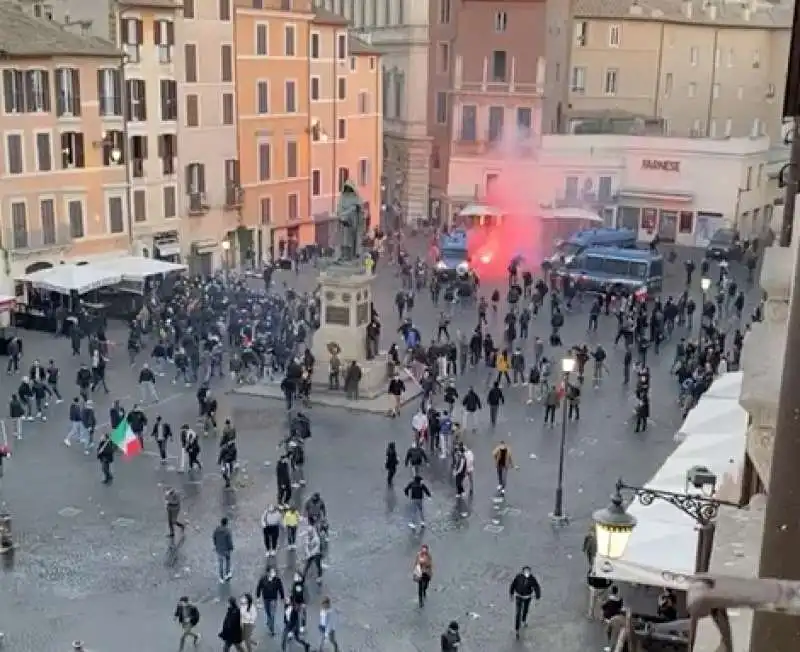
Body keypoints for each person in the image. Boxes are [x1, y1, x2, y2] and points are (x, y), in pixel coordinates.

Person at [508, 566, 542, 638]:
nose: (527, 573)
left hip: (527, 597)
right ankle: (517, 629)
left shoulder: (532, 579)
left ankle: (523, 620)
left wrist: (537, 598)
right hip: (519, 597)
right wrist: (511, 594)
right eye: (526, 571)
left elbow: (536, 587)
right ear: (523, 572)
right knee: (518, 613)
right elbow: (513, 585)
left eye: (528, 571)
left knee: (525, 610)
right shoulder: (518, 577)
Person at [256, 566, 285, 637]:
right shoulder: (263, 579)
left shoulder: (277, 580)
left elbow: (280, 588)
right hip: (266, 598)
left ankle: (272, 629)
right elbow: (259, 587)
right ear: (268, 573)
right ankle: (269, 621)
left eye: (274, 572)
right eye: (272, 572)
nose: (273, 573)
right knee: (267, 611)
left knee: (272, 614)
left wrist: (282, 597)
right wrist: (258, 596)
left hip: (273, 599)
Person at [213, 517, 234, 583]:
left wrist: (216, 545)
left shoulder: (217, 529)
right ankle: (227, 574)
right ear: (226, 523)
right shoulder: (228, 531)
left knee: (220, 564)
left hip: (219, 549)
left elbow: (214, 537)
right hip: (226, 549)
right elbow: (229, 541)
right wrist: (231, 547)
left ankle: (221, 578)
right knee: (228, 560)